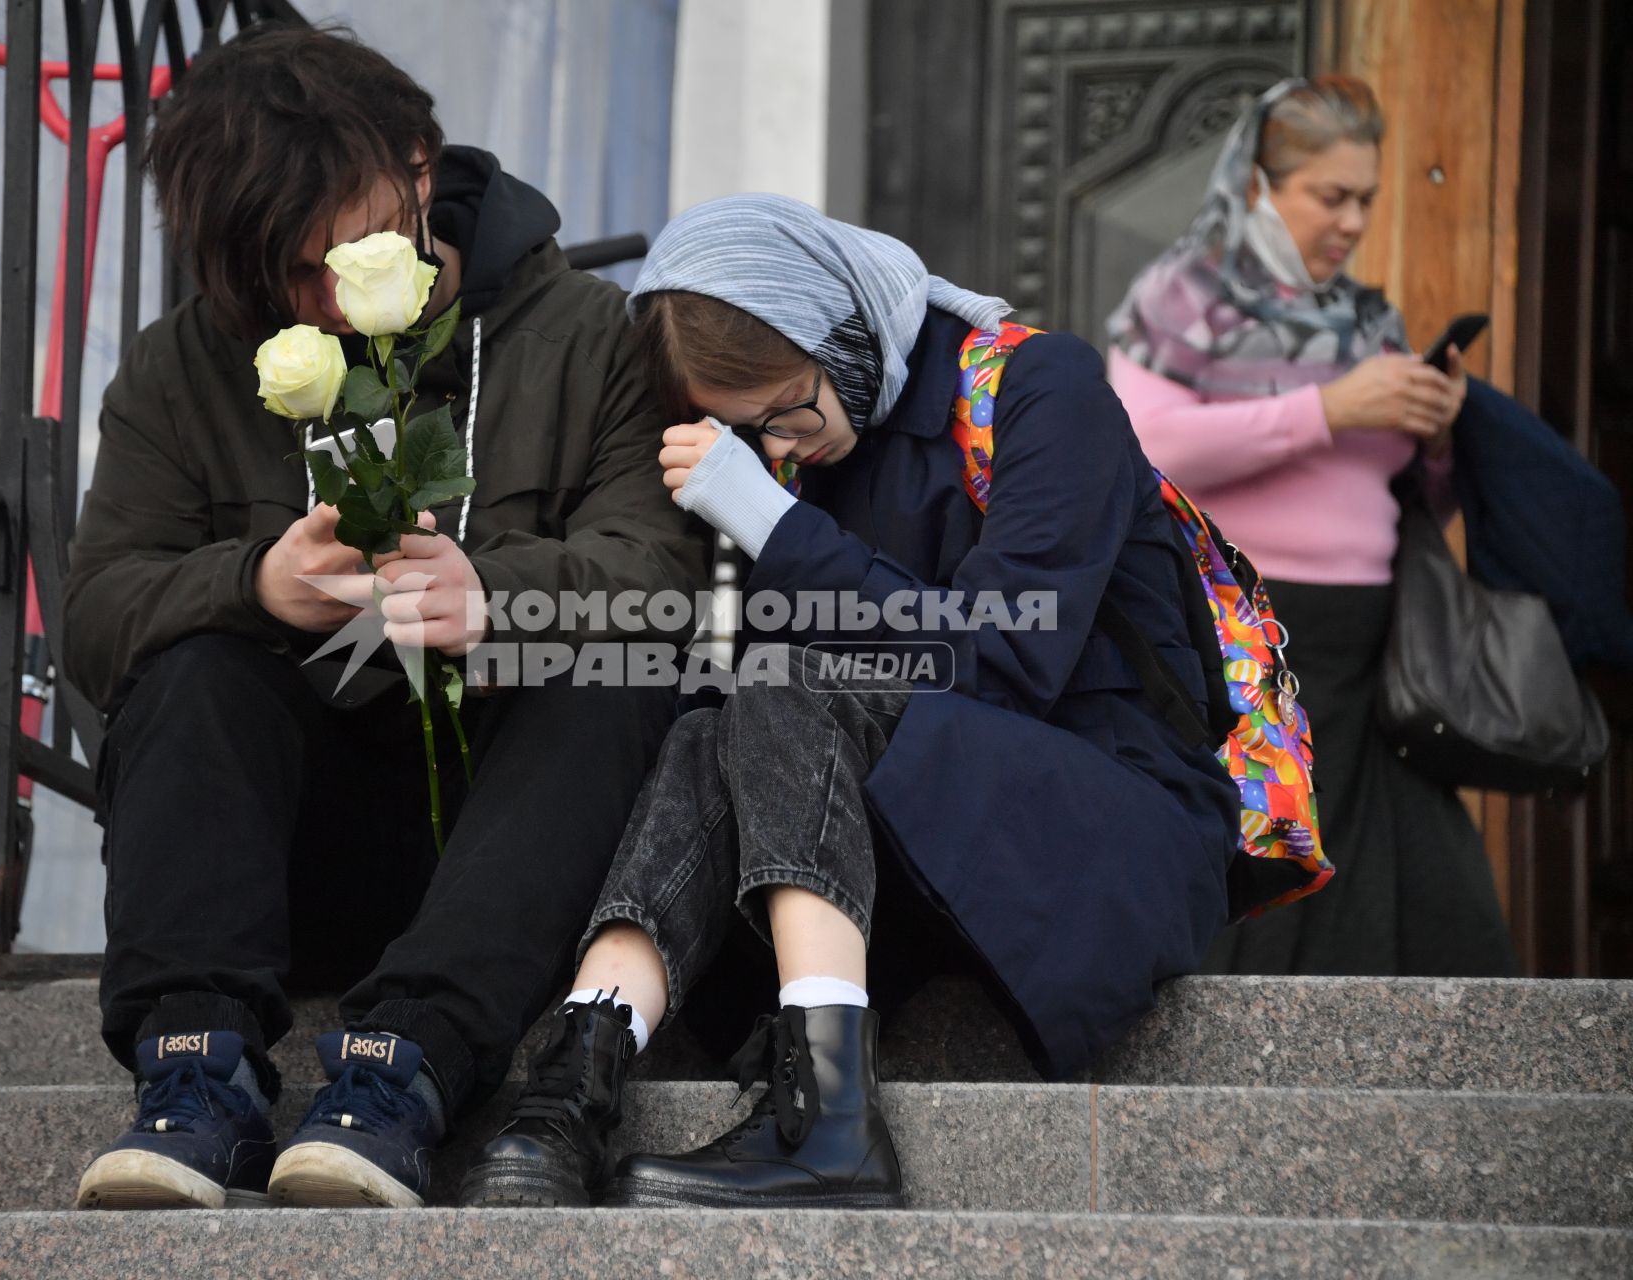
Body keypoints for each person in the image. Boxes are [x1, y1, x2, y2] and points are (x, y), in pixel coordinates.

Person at [458, 194, 1243, 1210]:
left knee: (781, 687)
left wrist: (776, 526)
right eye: (743, 431)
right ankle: (570, 1083)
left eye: (785, 406)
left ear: (838, 325)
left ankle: (825, 1119)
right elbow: (775, 724)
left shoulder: (1044, 387)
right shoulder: (817, 455)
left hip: (1108, 822)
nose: (779, 444)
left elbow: (1007, 660)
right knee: (711, 719)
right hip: (919, 847)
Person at [64, 24, 708, 1211]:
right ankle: (194, 1075)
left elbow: (661, 580)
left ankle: (400, 1071)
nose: (322, 301)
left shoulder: (585, 338)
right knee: (190, 663)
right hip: (294, 853)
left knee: (615, 672)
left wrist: (490, 595)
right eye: (281, 276)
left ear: (421, 170)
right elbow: (96, 612)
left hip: (513, 852)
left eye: (343, 251)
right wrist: (251, 582)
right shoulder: (182, 365)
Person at [1106, 76, 1518, 977]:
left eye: (1366, 199)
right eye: (1330, 197)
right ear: (1258, 184)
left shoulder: (1368, 322)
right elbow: (1143, 451)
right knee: (1266, 886)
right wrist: (1328, 408)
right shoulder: (1183, 298)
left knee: (1442, 904)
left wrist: (1439, 441)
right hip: (1251, 643)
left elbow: (1414, 503)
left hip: (1378, 654)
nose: (1353, 221)